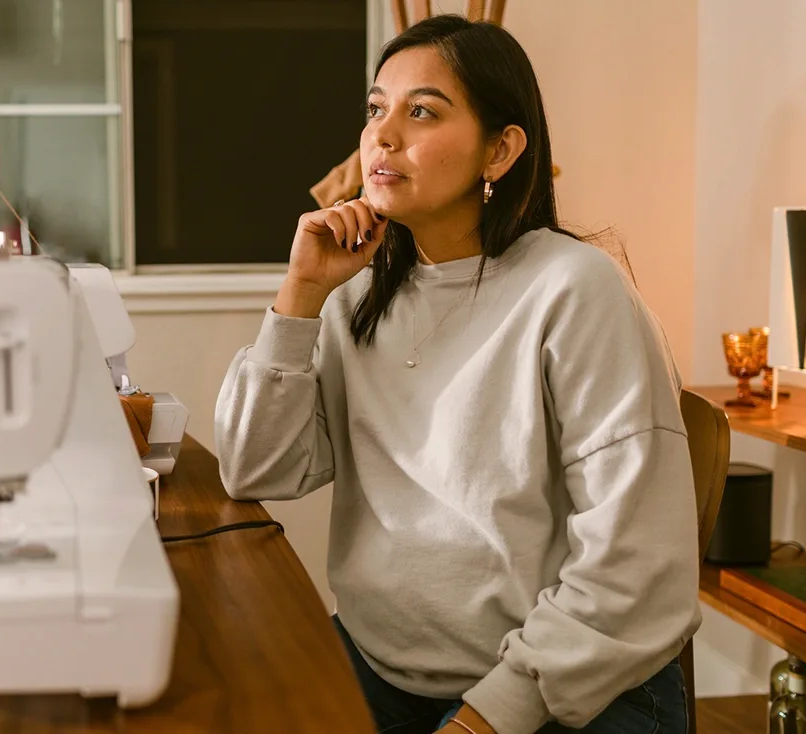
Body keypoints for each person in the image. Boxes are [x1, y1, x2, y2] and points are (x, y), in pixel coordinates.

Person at [214, 14, 699, 734]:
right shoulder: (354, 293)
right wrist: (300, 296)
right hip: (385, 668)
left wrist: (485, 717)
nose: (383, 134)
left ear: (499, 151)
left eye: (421, 112)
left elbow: (635, 563)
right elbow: (256, 469)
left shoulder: (572, 290)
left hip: (569, 686)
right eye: (376, 109)